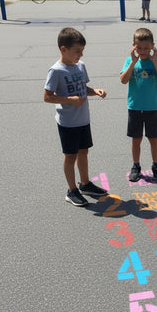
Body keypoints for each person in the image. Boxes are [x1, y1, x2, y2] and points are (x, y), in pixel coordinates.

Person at [44, 27, 108, 207]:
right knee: (70, 156)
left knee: (84, 152)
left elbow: (83, 88)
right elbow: (47, 96)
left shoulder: (80, 66)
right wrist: (69, 100)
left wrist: (94, 91)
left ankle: (85, 183)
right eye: (77, 51)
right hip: (68, 122)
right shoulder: (56, 70)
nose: (80, 55)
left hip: (83, 119)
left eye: (82, 51)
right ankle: (71, 190)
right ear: (64, 49)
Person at [120, 28, 157, 182]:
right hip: (134, 107)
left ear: (153, 47)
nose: (142, 51)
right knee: (136, 138)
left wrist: (154, 60)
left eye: (146, 48)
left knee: (153, 138)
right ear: (133, 46)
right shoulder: (130, 62)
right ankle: (136, 165)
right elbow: (123, 79)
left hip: (151, 107)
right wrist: (133, 61)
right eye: (139, 48)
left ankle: (155, 165)